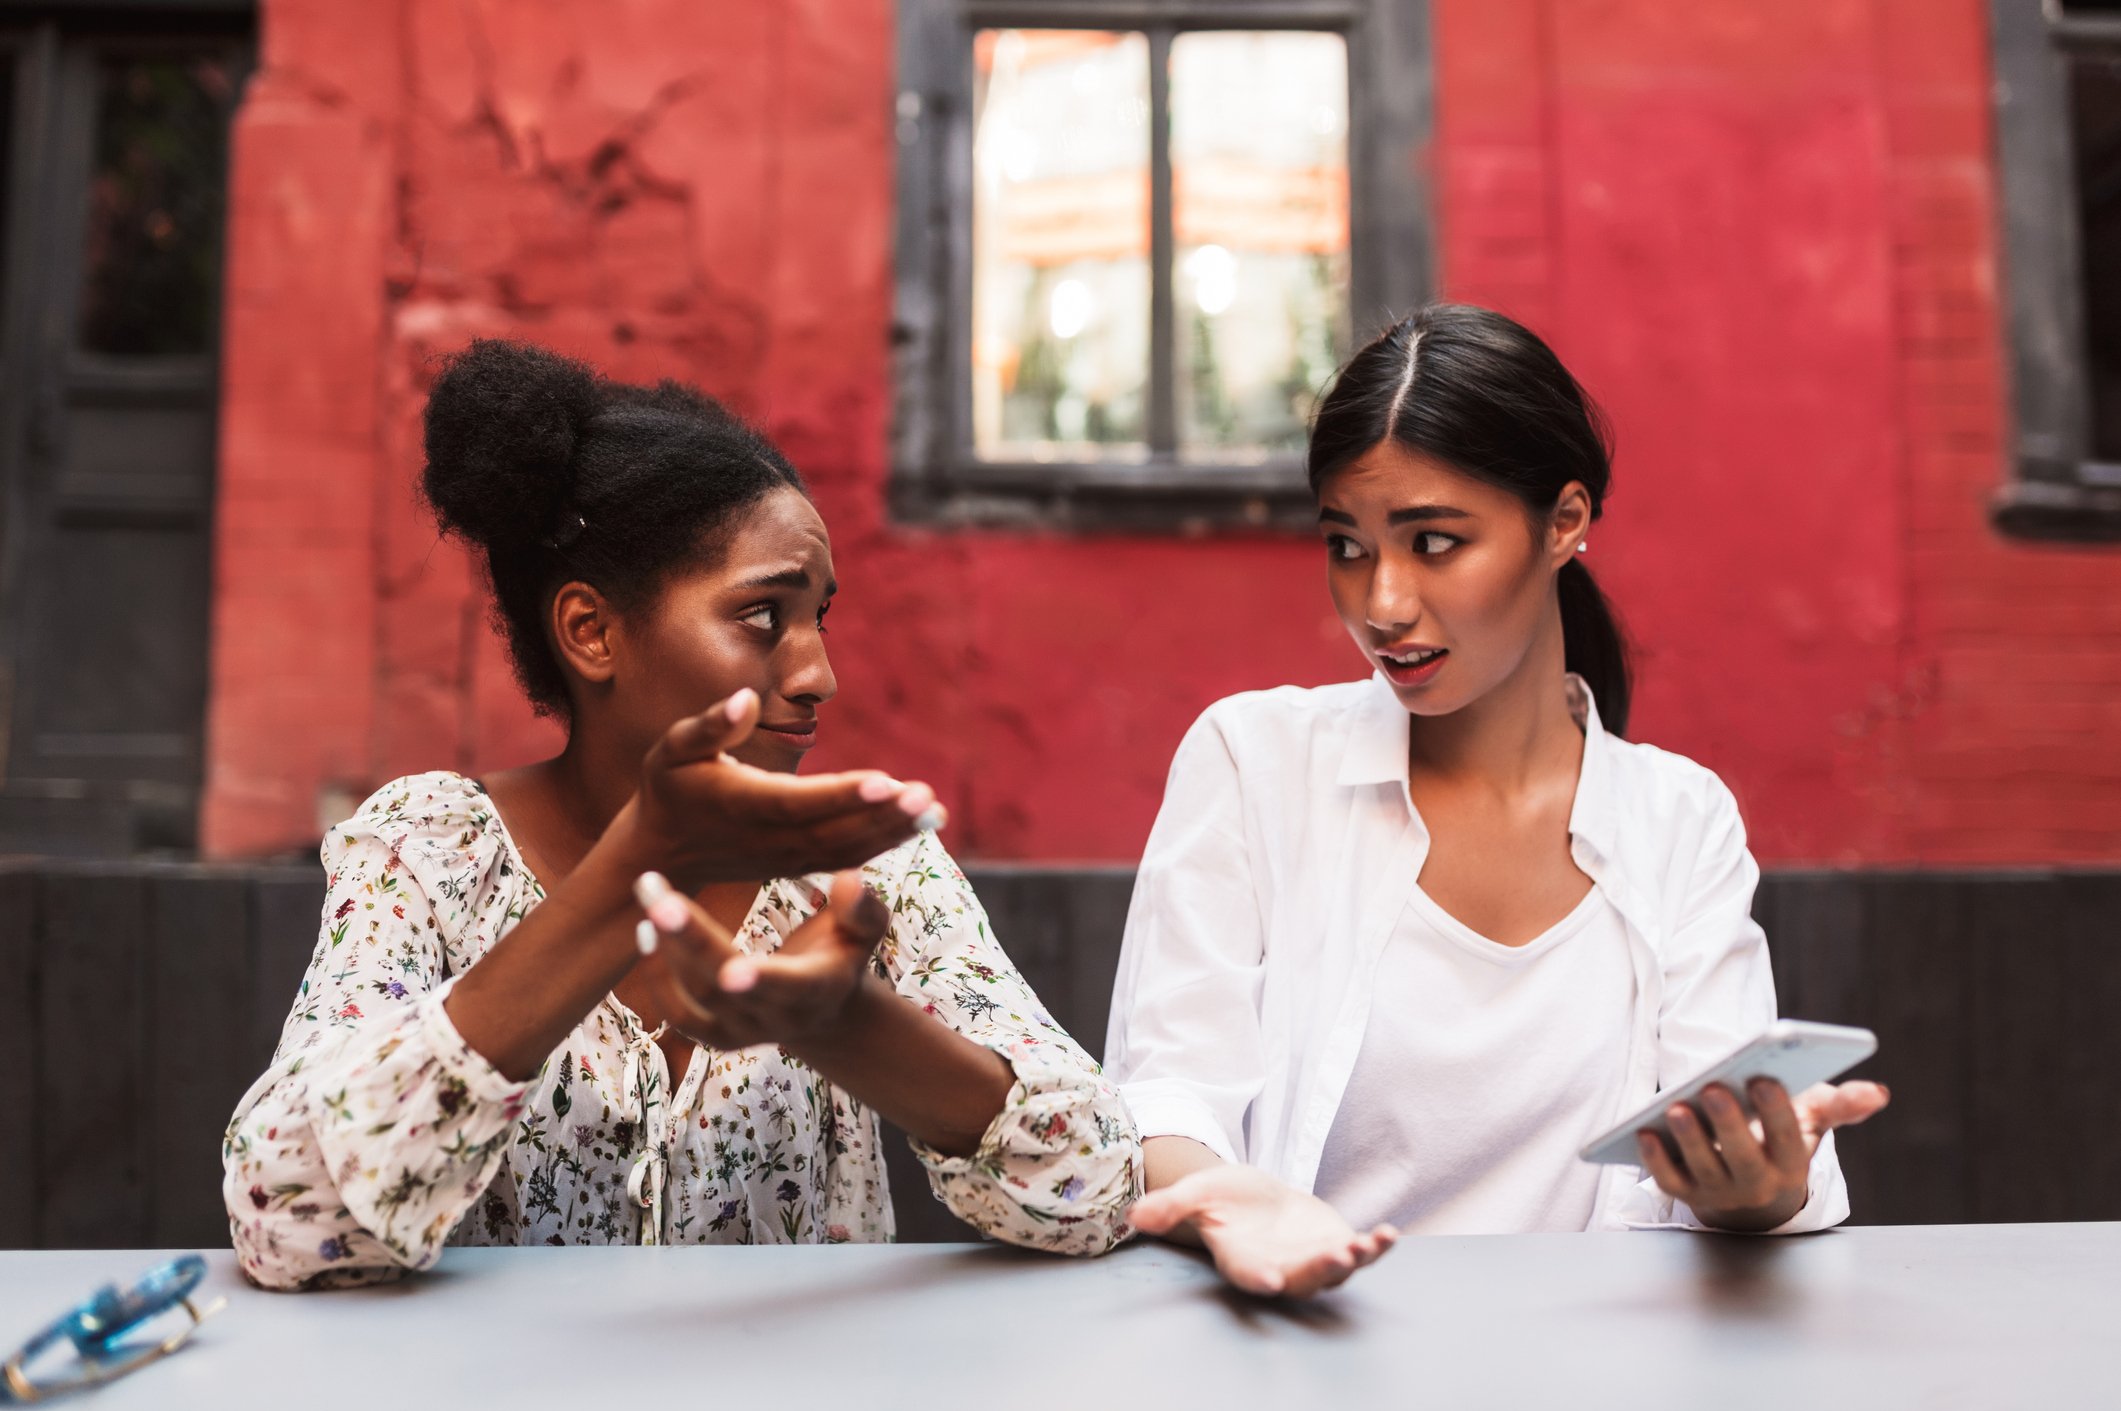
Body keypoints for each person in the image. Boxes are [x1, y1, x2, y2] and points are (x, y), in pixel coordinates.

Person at [223, 341, 1139, 1289]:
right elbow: (289, 1214)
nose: (818, 673)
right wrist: (632, 871)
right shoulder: (426, 855)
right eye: (761, 617)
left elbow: (1099, 1183)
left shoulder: (868, 866)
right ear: (591, 631)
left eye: (818, 617)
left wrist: (841, 1023)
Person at [1105, 305, 1889, 1298]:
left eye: (1433, 542)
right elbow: (1170, 1089)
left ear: (1565, 521)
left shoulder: (1679, 819)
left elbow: (1727, 1137)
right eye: (1348, 545)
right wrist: (1227, 1198)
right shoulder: (1255, 762)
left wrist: (1757, 1187)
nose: (1382, 602)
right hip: (1310, 1350)